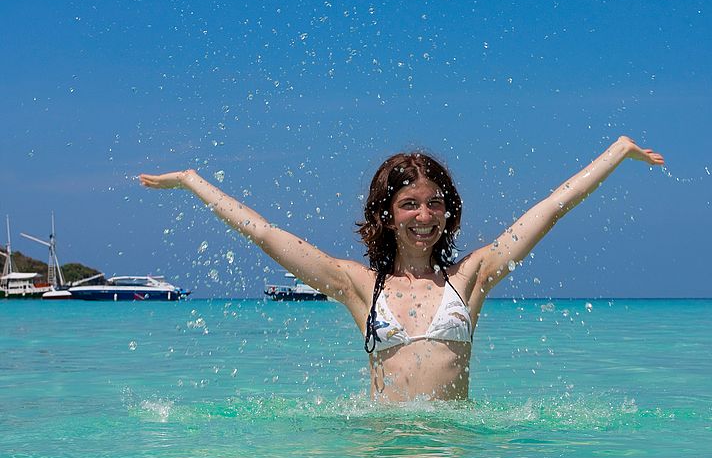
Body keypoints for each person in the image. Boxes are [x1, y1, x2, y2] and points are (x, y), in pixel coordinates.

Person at [139, 135, 663, 402]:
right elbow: (265, 234)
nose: (424, 216)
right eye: (410, 204)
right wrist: (192, 181)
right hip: (381, 455)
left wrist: (616, 153)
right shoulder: (357, 284)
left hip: (455, 453)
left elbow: (551, 208)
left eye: (435, 204)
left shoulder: (471, 277)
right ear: (386, 215)